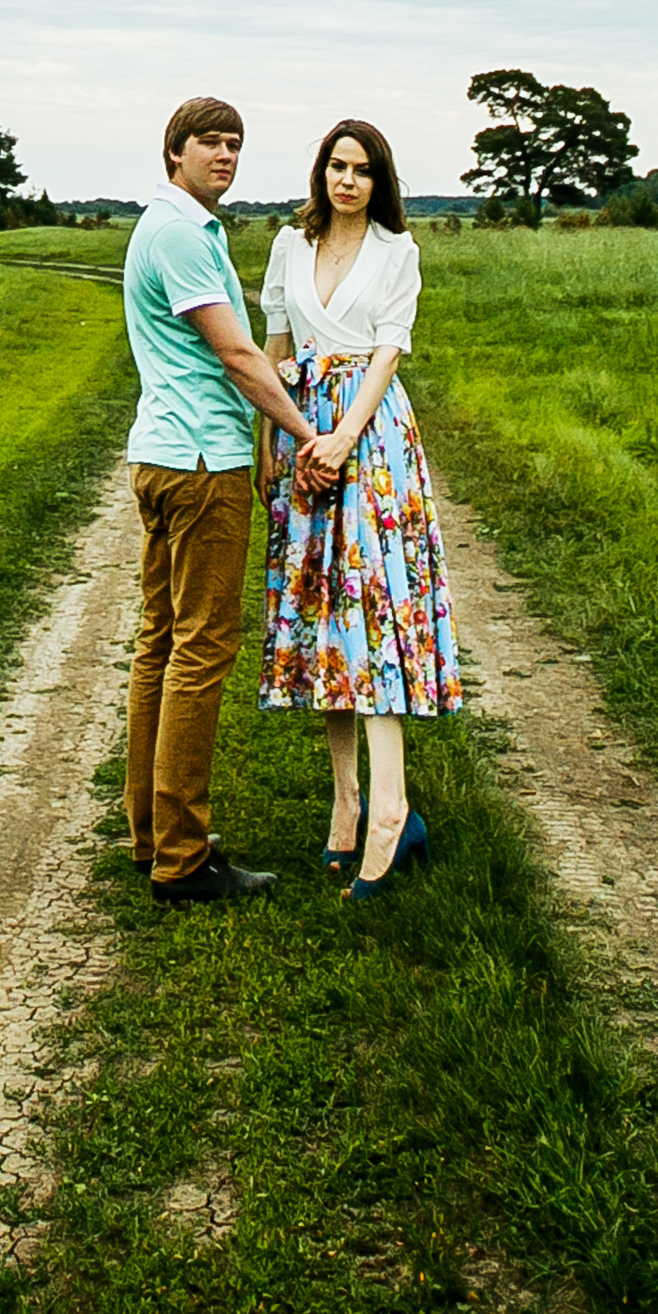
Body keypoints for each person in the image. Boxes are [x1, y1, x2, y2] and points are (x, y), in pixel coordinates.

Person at [123, 96, 330, 906]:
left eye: (235, 144)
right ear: (174, 152)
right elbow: (239, 356)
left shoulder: (175, 227)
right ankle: (181, 858)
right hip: (202, 465)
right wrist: (307, 435)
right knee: (201, 648)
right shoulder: (180, 234)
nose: (225, 155)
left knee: (162, 642)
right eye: (209, 142)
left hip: (164, 455)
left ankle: (152, 833)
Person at [257, 118, 461, 895]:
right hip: (301, 432)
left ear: (380, 182)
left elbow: (386, 355)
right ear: (322, 173)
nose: (348, 180)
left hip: (368, 440)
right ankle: (346, 803)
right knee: (324, 621)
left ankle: (392, 811)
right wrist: (274, 441)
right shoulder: (290, 245)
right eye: (337, 167)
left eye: (363, 170)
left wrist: (343, 437)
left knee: (372, 614)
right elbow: (275, 349)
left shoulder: (396, 252)